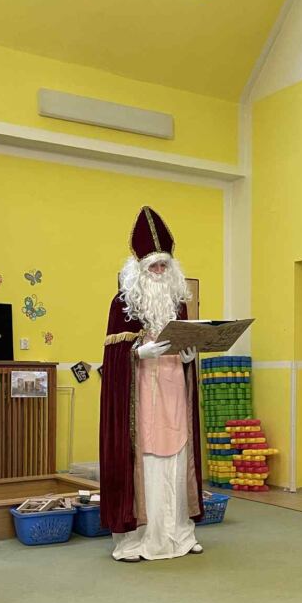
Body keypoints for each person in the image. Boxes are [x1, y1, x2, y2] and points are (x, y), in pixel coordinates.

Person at [99, 206, 204, 562]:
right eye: (153, 267)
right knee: (147, 462)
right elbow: (113, 356)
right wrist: (137, 353)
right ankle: (138, 539)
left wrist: (189, 358)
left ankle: (179, 534)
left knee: (176, 459)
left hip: (174, 392)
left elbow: (187, 342)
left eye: (164, 266)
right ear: (139, 269)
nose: (159, 273)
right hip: (141, 395)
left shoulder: (178, 304)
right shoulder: (122, 304)